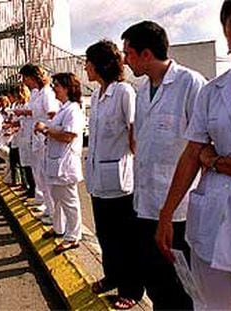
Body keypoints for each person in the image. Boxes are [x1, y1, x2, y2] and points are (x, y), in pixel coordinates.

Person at [156, 0, 231, 309]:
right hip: (212, 224)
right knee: (211, 307)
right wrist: (166, 213)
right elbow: (191, 153)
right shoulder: (213, 90)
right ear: (225, 29)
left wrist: (215, 162)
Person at [120, 21, 206, 310]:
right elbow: (142, 144)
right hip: (146, 203)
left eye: (128, 53)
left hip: (179, 209)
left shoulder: (190, 83)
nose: (125, 60)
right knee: (156, 278)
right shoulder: (143, 91)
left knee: (182, 284)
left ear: (145, 54)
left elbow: (202, 147)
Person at [84, 40, 136, 309]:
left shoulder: (123, 92)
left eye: (88, 62)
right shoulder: (95, 95)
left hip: (119, 179)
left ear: (100, 64)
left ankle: (130, 289)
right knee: (105, 235)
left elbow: (134, 133)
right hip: (98, 178)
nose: (85, 67)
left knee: (124, 239)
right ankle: (112, 276)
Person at [36, 73, 85, 254]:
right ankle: (59, 228)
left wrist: (46, 129)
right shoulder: (63, 109)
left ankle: (73, 236)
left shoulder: (73, 110)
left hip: (65, 165)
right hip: (55, 163)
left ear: (66, 88)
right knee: (57, 199)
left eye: (56, 85)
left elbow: (68, 136)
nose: (54, 88)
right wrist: (46, 130)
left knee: (70, 202)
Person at [18, 64, 59, 225]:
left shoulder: (47, 93)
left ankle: (53, 212)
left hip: (43, 139)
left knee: (45, 175)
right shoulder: (37, 93)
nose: (24, 82)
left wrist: (45, 130)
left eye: (25, 78)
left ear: (32, 77)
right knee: (40, 175)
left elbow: (52, 114)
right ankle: (49, 209)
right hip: (36, 138)